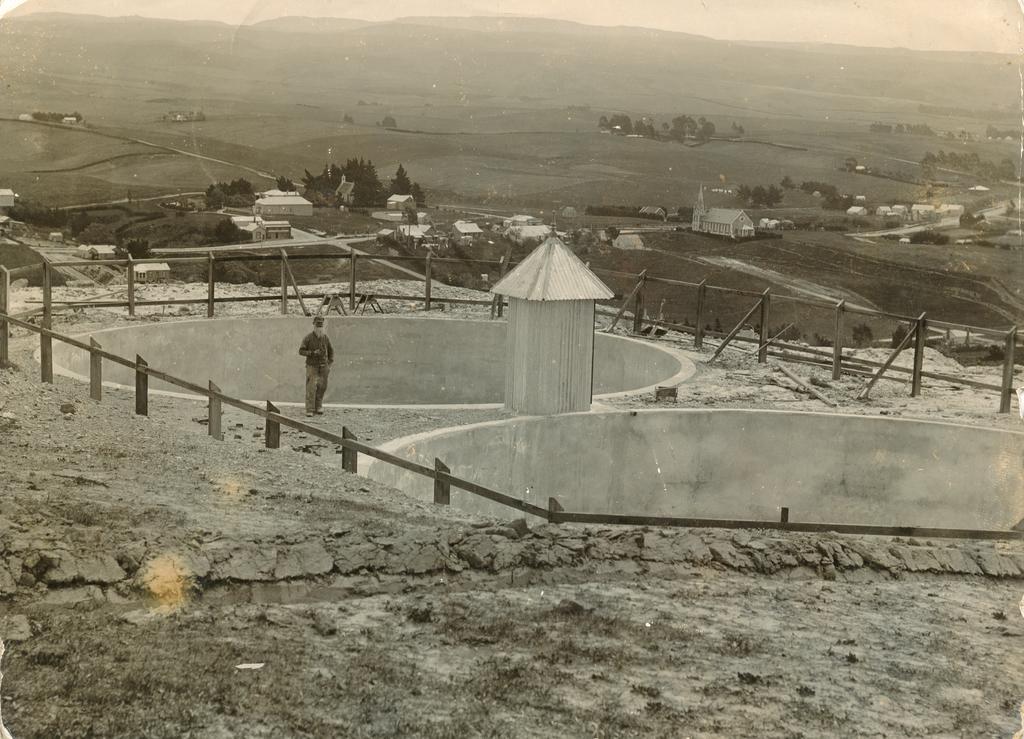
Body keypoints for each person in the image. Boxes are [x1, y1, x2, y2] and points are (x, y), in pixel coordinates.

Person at [299, 316, 334, 416]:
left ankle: (318, 406)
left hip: (323, 367)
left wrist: (329, 363)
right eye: (317, 325)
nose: (319, 327)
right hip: (312, 366)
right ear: (313, 325)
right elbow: (301, 351)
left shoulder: (325, 338)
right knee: (311, 387)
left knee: (322, 387)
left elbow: (331, 351)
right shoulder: (308, 338)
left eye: (321, 325)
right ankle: (310, 409)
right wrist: (312, 353)